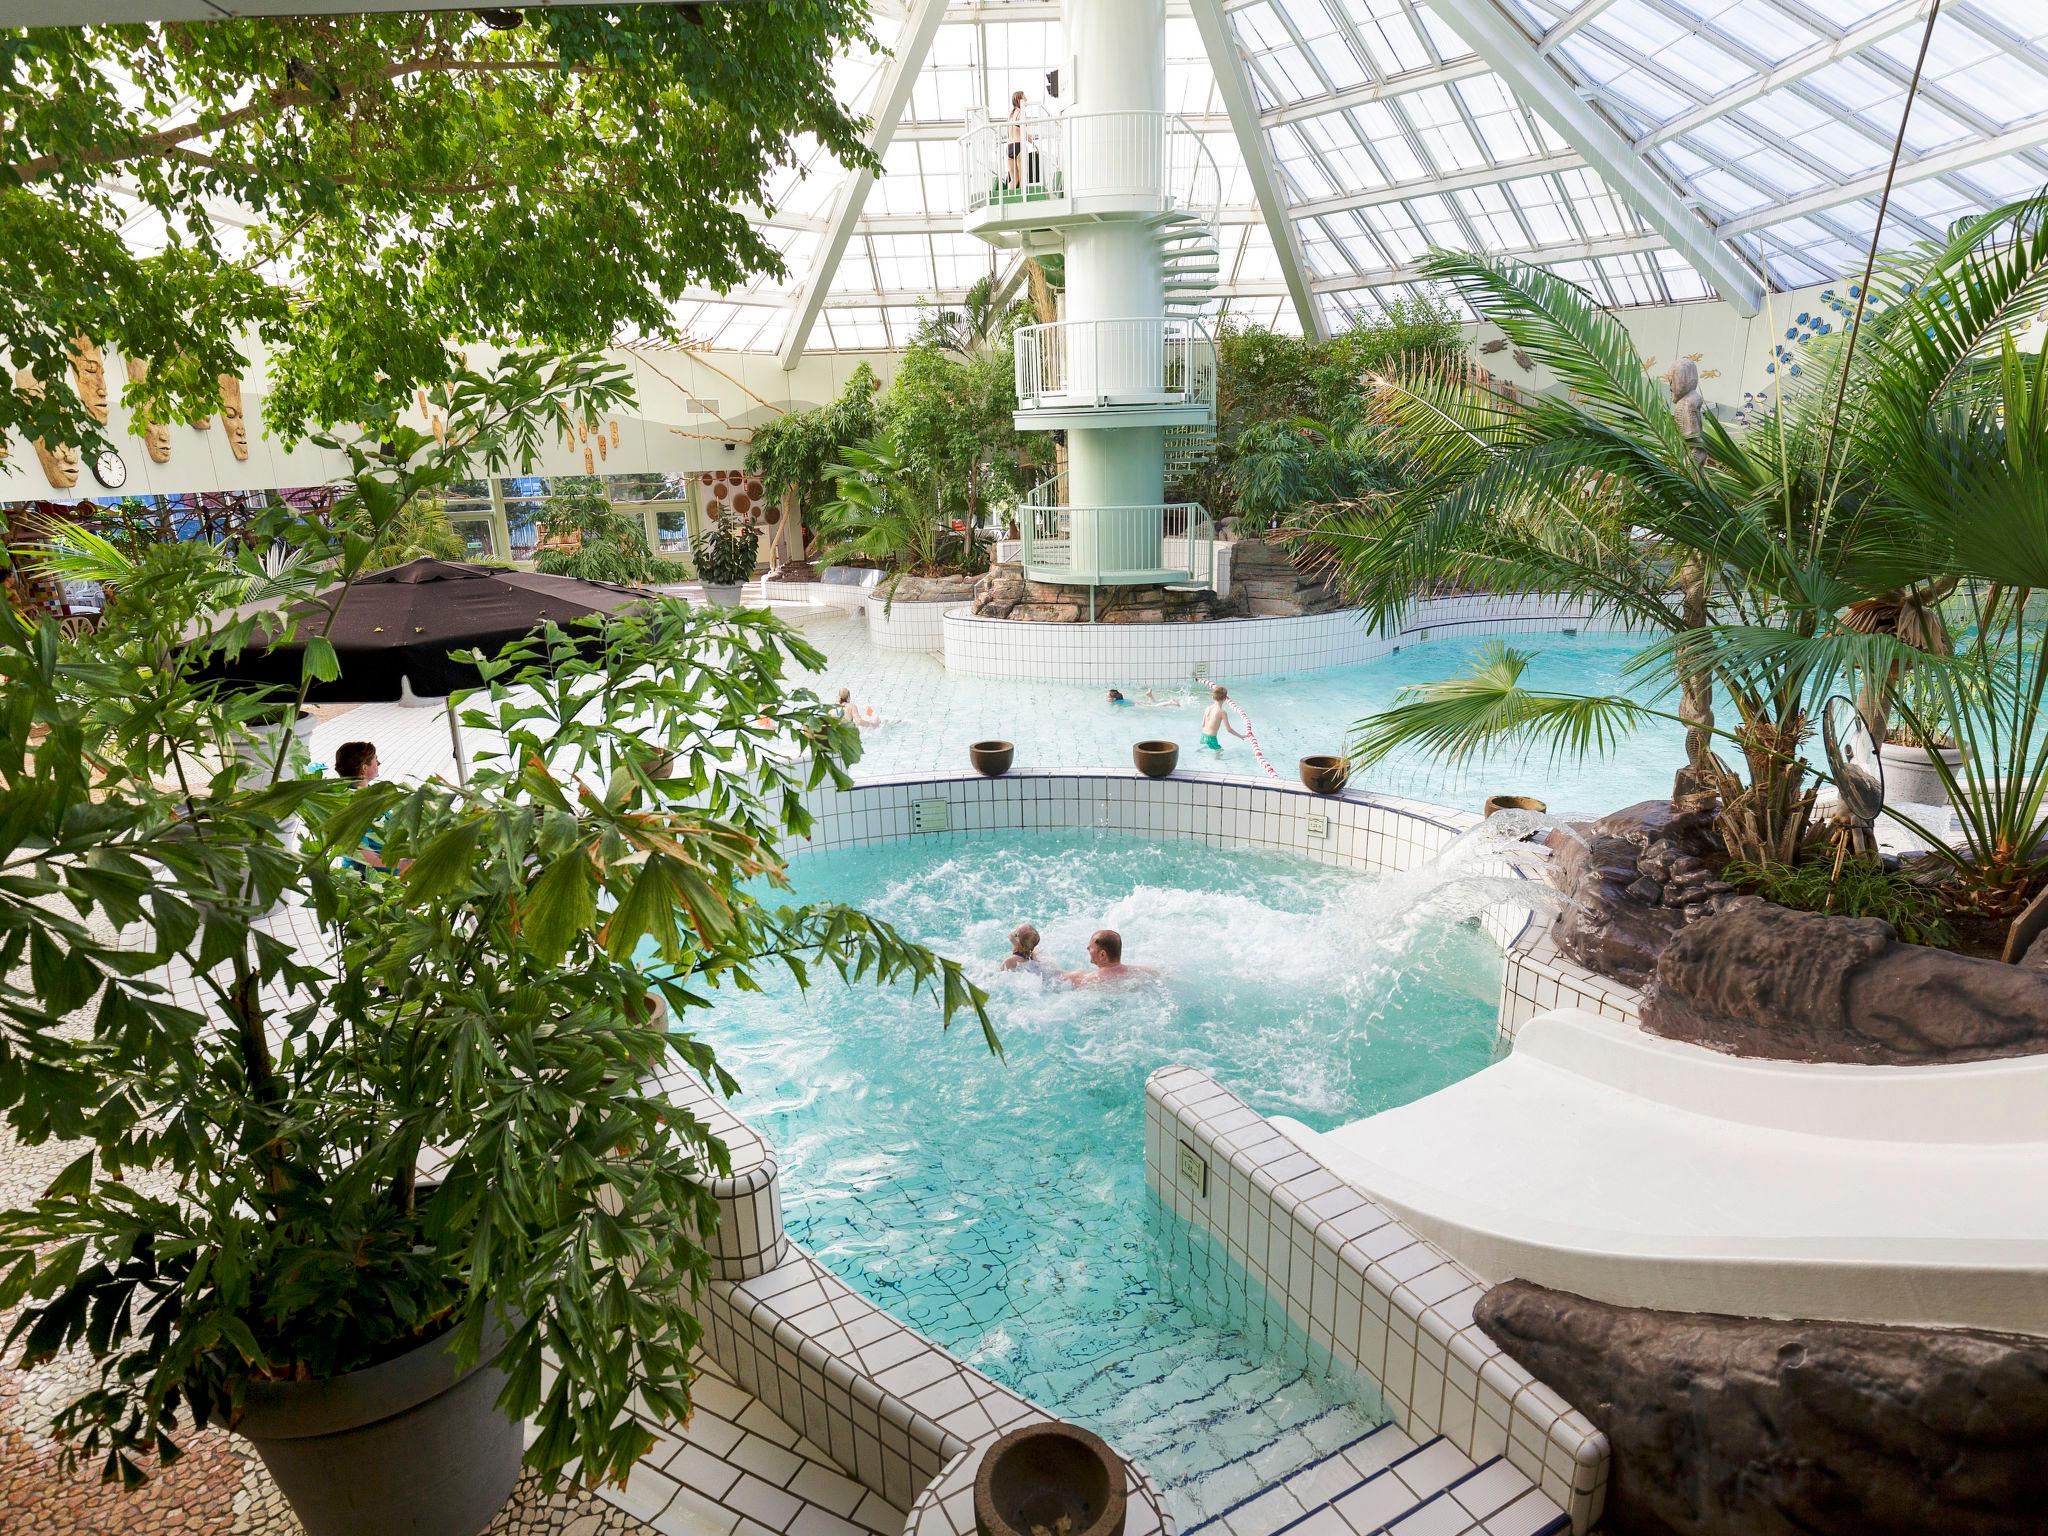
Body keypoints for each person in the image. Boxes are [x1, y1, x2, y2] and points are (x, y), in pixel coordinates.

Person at [335, 740, 389, 873]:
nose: (378, 764)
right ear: (364, 768)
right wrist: (403, 865)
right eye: (376, 760)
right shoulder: (352, 805)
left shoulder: (371, 794)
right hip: (368, 881)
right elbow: (362, 854)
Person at [1065, 928, 1157, 987]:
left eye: (1091, 947)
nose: (1088, 948)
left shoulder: (1087, 980)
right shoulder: (1145, 972)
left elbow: (1056, 979)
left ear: (1102, 955)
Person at [1199, 684, 1247, 753]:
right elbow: (1229, 729)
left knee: (1210, 746)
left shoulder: (1208, 708)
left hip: (1204, 735)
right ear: (1225, 699)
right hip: (1211, 738)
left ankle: (1202, 748)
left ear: (1212, 697)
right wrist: (1240, 736)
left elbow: (1202, 724)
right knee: (1220, 751)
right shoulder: (1222, 712)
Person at [1006, 89, 1027, 190]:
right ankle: (1024, 201)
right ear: (1019, 100)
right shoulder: (1020, 113)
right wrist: (1033, 143)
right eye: (1024, 97)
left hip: (1009, 147)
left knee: (1014, 179)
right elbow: (1024, 132)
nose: (1026, 99)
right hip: (1018, 145)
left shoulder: (1010, 115)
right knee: (1022, 177)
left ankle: (1008, 198)